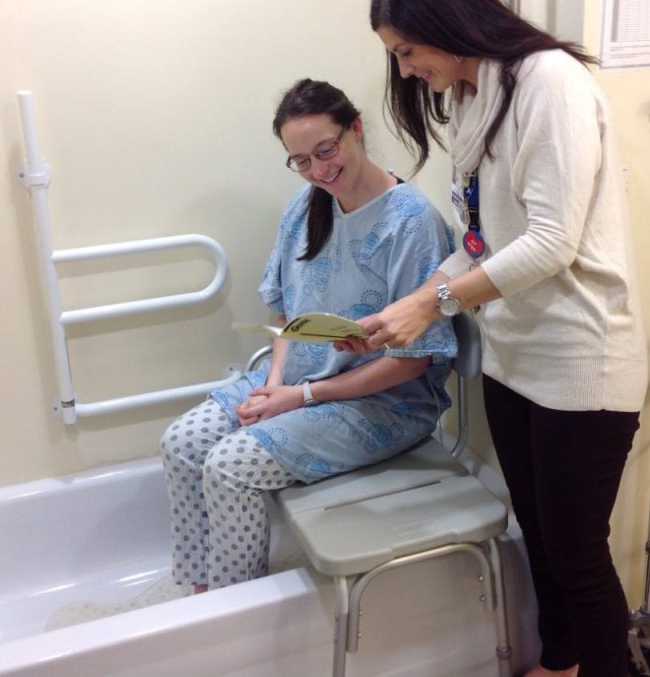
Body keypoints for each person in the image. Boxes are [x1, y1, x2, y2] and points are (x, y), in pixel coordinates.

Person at [359, 0, 648, 677]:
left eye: (406, 50)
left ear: (446, 21)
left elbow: (552, 242)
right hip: (514, 360)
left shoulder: (551, 83)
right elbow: (483, 241)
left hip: (583, 363)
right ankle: (560, 665)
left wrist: (433, 302)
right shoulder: (470, 97)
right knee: (540, 539)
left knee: (579, 555)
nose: (403, 70)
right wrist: (411, 302)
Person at [160, 78, 457, 593]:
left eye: (327, 150)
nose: (319, 170)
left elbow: (413, 362)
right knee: (182, 443)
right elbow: (285, 319)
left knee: (230, 466)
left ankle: (237, 611)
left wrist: (300, 397)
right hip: (295, 384)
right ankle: (200, 599)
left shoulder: (412, 223)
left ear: (356, 129)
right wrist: (275, 385)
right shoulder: (304, 207)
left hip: (385, 404)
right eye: (302, 161)